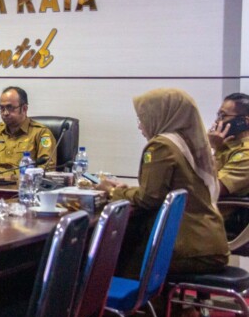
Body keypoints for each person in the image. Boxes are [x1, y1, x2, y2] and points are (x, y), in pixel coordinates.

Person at [96, 88, 229, 278]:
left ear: (161, 115)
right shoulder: (189, 142)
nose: (140, 125)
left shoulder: (161, 145)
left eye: (143, 117)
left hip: (185, 247)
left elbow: (149, 199)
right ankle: (171, 308)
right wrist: (125, 190)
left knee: (105, 261)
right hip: (207, 241)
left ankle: (121, 306)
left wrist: (112, 192)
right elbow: (168, 189)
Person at [0, 86, 56, 180]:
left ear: (24, 109)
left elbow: (46, 169)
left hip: (24, 187)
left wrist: (8, 177)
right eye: (2, 108)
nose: (5, 113)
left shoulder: (41, 133)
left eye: (10, 108)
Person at [208, 92, 249, 197]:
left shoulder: (246, 153)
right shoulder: (225, 145)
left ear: (244, 121)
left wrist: (209, 148)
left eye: (223, 115)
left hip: (219, 211)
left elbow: (212, 190)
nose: (217, 121)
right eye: (218, 115)